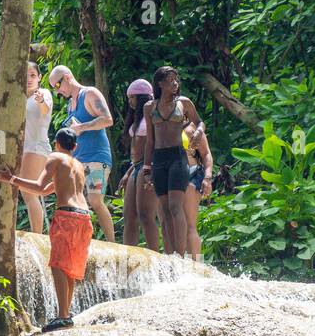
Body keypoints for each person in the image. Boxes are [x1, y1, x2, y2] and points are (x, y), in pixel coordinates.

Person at [0, 128, 91, 332]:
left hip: (67, 216)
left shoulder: (55, 157)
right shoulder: (78, 165)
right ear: (75, 147)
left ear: (56, 144)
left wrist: (11, 179)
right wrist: (15, 183)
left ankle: (63, 315)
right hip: (84, 217)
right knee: (69, 267)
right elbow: (47, 190)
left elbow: (38, 186)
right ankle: (66, 313)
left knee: (57, 265)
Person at [49, 65, 117, 243]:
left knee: (95, 200)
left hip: (96, 157)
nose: (58, 92)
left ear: (67, 77)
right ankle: (82, 241)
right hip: (78, 160)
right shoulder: (70, 106)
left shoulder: (90, 94)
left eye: (57, 85)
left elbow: (108, 119)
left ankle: (112, 243)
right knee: (77, 202)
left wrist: (82, 127)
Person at [142, 66, 204, 257]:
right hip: (159, 159)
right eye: (170, 80)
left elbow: (199, 121)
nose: (175, 83)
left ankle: (181, 255)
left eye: (176, 79)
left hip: (178, 157)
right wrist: (146, 169)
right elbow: (150, 141)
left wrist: (199, 131)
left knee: (176, 206)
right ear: (160, 84)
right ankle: (170, 255)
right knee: (164, 210)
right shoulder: (150, 107)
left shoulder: (183, 103)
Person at [116, 78, 159, 251]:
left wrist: (151, 169)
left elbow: (154, 146)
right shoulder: (137, 119)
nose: (129, 102)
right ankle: (129, 255)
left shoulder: (153, 115)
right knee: (129, 216)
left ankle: (154, 255)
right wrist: (128, 172)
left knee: (145, 215)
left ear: (141, 97)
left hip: (149, 165)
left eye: (132, 98)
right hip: (136, 166)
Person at [19, 61, 54, 233]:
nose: (29, 79)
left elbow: (45, 109)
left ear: (40, 77)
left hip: (37, 147)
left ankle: (37, 236)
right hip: (23, 148)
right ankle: (37, 233)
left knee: (29, 192)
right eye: (25, 75)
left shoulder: (43, 93)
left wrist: (40, 101)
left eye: (33, 75)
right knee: (27, 193)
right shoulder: (19, 97)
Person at [181, 120, 214, 262]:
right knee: (175, 222)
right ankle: (181, 263)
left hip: (192, 173)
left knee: (190, 224)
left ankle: (196, 265)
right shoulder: (161, 123)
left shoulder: (192, 128)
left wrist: (207, 178)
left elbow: (206, 154)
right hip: (170, 175)